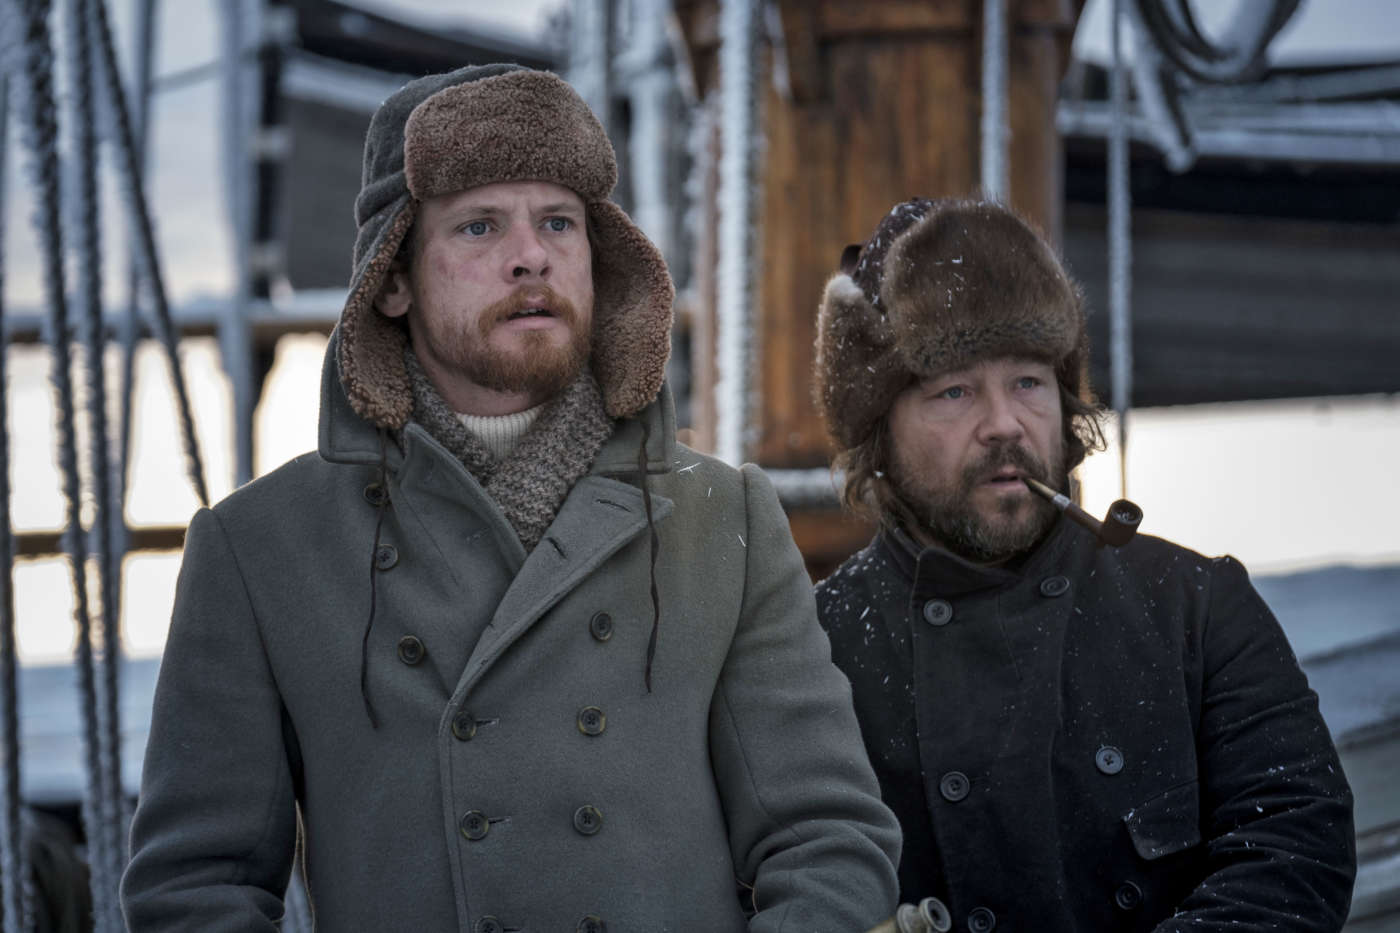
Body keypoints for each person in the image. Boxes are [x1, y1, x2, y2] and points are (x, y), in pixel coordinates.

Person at [122, 64, 901, 931]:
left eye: (558, 221)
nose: (531, 254)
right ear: (392, 279)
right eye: (480, 225)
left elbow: (827, 840)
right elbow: (195, 888)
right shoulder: (261, 549)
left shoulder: (724, 518)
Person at [812, 197, 1356, 932]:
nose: (1004, 423)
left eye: (1028, 382)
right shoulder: (813, 649)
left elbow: (1296, 844)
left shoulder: (1195, 607)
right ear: (878, 430)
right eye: (954, 390)